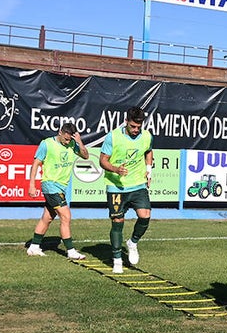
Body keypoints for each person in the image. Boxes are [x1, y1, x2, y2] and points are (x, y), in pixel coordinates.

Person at [99, 106, 154, 275]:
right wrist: (115, 169)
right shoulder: (113, 137)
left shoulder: (146, 136)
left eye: (139, 127)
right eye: (133, 127)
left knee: (145, 215)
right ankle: (117, 259)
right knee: (117, 223)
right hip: (116, 186)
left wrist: (149, 170)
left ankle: (133, 242)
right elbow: (102, 160)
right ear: (126, 122)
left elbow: (149, 151)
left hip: (138, 184)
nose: (136, 130)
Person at [27, 123, 89, 260]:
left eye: (70, 139)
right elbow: (36, 163)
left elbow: (86, 156)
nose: (68, 142)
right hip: (50, 185)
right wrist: (32, 184)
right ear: (60, 132)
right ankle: (71, 251)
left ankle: (34, 247)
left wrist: (79, 141)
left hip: (61, 186)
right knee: (66, 216)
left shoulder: (73, 144)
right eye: (66, 139)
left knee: (47, 217)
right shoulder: (47, 144)